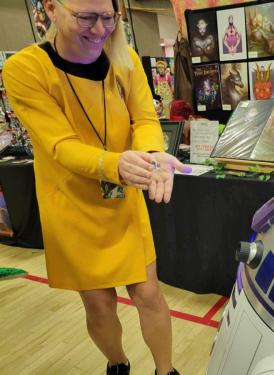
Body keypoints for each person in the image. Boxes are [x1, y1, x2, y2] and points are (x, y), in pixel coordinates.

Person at [2, 1, 191, 374]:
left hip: (122, 197)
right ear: (52, 10)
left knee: (149, 293)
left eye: (108, 17)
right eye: (86, 17)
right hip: (71, 203)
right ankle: (117, 364)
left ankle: (166, 371)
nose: (100, 29)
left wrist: (153, 154)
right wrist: (114, 164)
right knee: (98, 303)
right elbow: (59, 144)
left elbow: (144, 117)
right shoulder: (25, 69)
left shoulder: (125, 59)